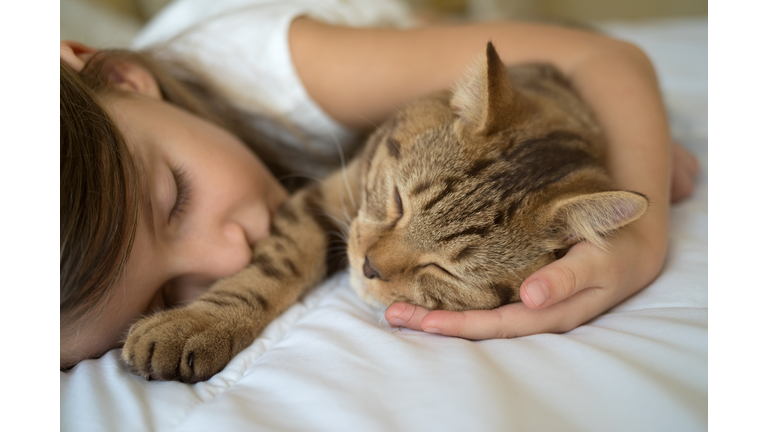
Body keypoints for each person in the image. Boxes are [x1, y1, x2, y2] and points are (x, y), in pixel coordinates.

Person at [60, 0, 698, 369]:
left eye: (179, 197)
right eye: (162, 298)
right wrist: (226, 313)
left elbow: (607, 59)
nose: (372, 260)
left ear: (123, 78)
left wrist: (636, 238)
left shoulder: (268, 64)